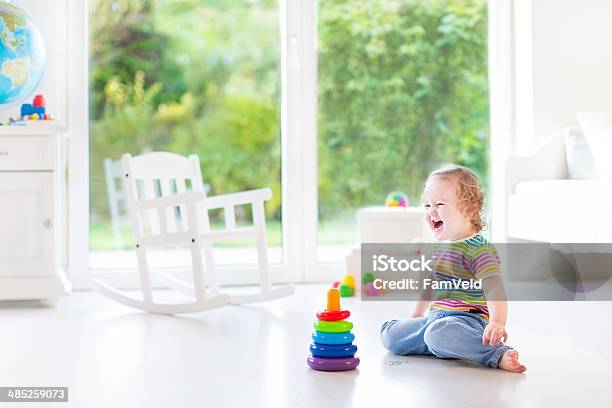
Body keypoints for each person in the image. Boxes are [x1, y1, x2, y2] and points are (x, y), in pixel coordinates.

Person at [380, 165, 526, 372]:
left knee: (439, 333)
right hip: (435, 318)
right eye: (427, 205)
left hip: (467, 322)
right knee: (390, 334)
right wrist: (417, 314)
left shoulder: (479, 250)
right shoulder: (440, 246)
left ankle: (495, 353)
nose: (431, 211)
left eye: (439, 204)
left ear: (469, 209)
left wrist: (497, 322)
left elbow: (494, 288)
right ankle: (442, 345)